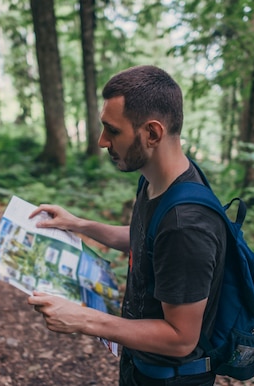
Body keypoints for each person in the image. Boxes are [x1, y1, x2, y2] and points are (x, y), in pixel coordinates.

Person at [27, 65, 227, 386]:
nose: (102, 141)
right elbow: (145, 241)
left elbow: (181, 338)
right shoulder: (155, 181)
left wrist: (84, 319)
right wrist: (77, 224)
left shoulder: (186, 225)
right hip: (142, 366)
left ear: (152, 133)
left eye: (113, 130)